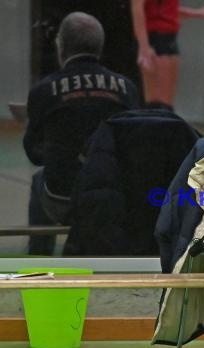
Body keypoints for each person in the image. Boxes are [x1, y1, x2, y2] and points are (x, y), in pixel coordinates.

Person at [23, 12, 140, 255]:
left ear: (61, 46)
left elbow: (34, 153)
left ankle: (39, 257)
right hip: (113, 198)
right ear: (100, 46)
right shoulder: (127, 89)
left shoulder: (44, 90)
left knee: (39, 179)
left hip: (61, 199)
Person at [130, 0, 204, 110]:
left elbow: (166, 11)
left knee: (165, 103)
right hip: (155, 38)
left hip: (168, 38)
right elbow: (137, 10)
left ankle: (163, 124)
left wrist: (197, 13)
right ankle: (155, 124)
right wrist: (144, 47)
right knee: (157, 102)